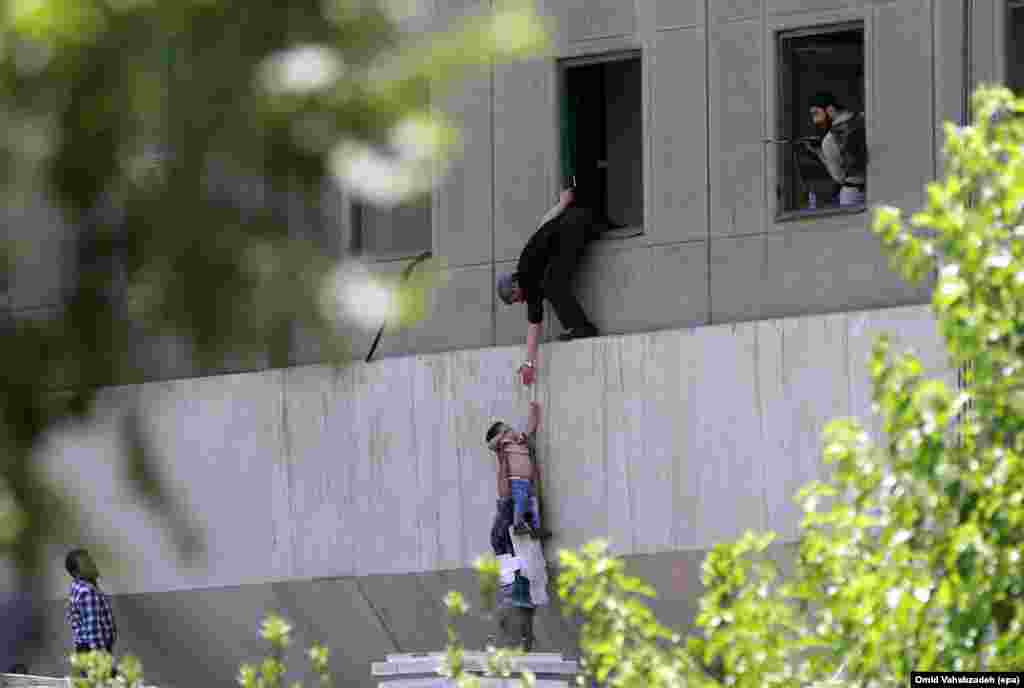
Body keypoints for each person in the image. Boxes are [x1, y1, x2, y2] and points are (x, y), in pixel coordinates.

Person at [496, 187, 602, 387]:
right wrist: (562, 204)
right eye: (515, 300)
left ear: (516, 284)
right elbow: (543, 224)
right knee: (551, 281)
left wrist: (563, 206)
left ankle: (582, 327)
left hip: (576, 225)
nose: (519, 300)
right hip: (577, 219)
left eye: (515, 297)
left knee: (552, 284)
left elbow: (534, 326)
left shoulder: (528, 275)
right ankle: (579, 326)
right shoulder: (528, 276)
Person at [485, 401, 548, 537]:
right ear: (500, 437)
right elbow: (490, 445)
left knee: (533, 502)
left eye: (510, 428)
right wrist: (503, 435)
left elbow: (530, 428)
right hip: (516, 480)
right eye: (507, 430)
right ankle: (518, 524)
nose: (512, 431)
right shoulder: (503, 446)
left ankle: (536, 527)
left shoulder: (520, 442)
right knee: (520, 502)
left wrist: (534, 412)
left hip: (528, 479)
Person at [804, 93, 867, 207]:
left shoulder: (829, 140)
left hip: (853, 194)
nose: (815, 120)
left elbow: (839, 178)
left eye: (816, 113)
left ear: (830, 110)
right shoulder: (866, 118)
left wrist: (819, 152)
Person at [64, 549, 118, 666]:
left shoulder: (77, 587)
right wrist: (103, 662)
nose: (93, 565)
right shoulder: (88, 592)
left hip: (85, 651)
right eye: (86, 564)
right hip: (94, 652)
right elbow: (94, 632)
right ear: (76, 573)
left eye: (91, 561)